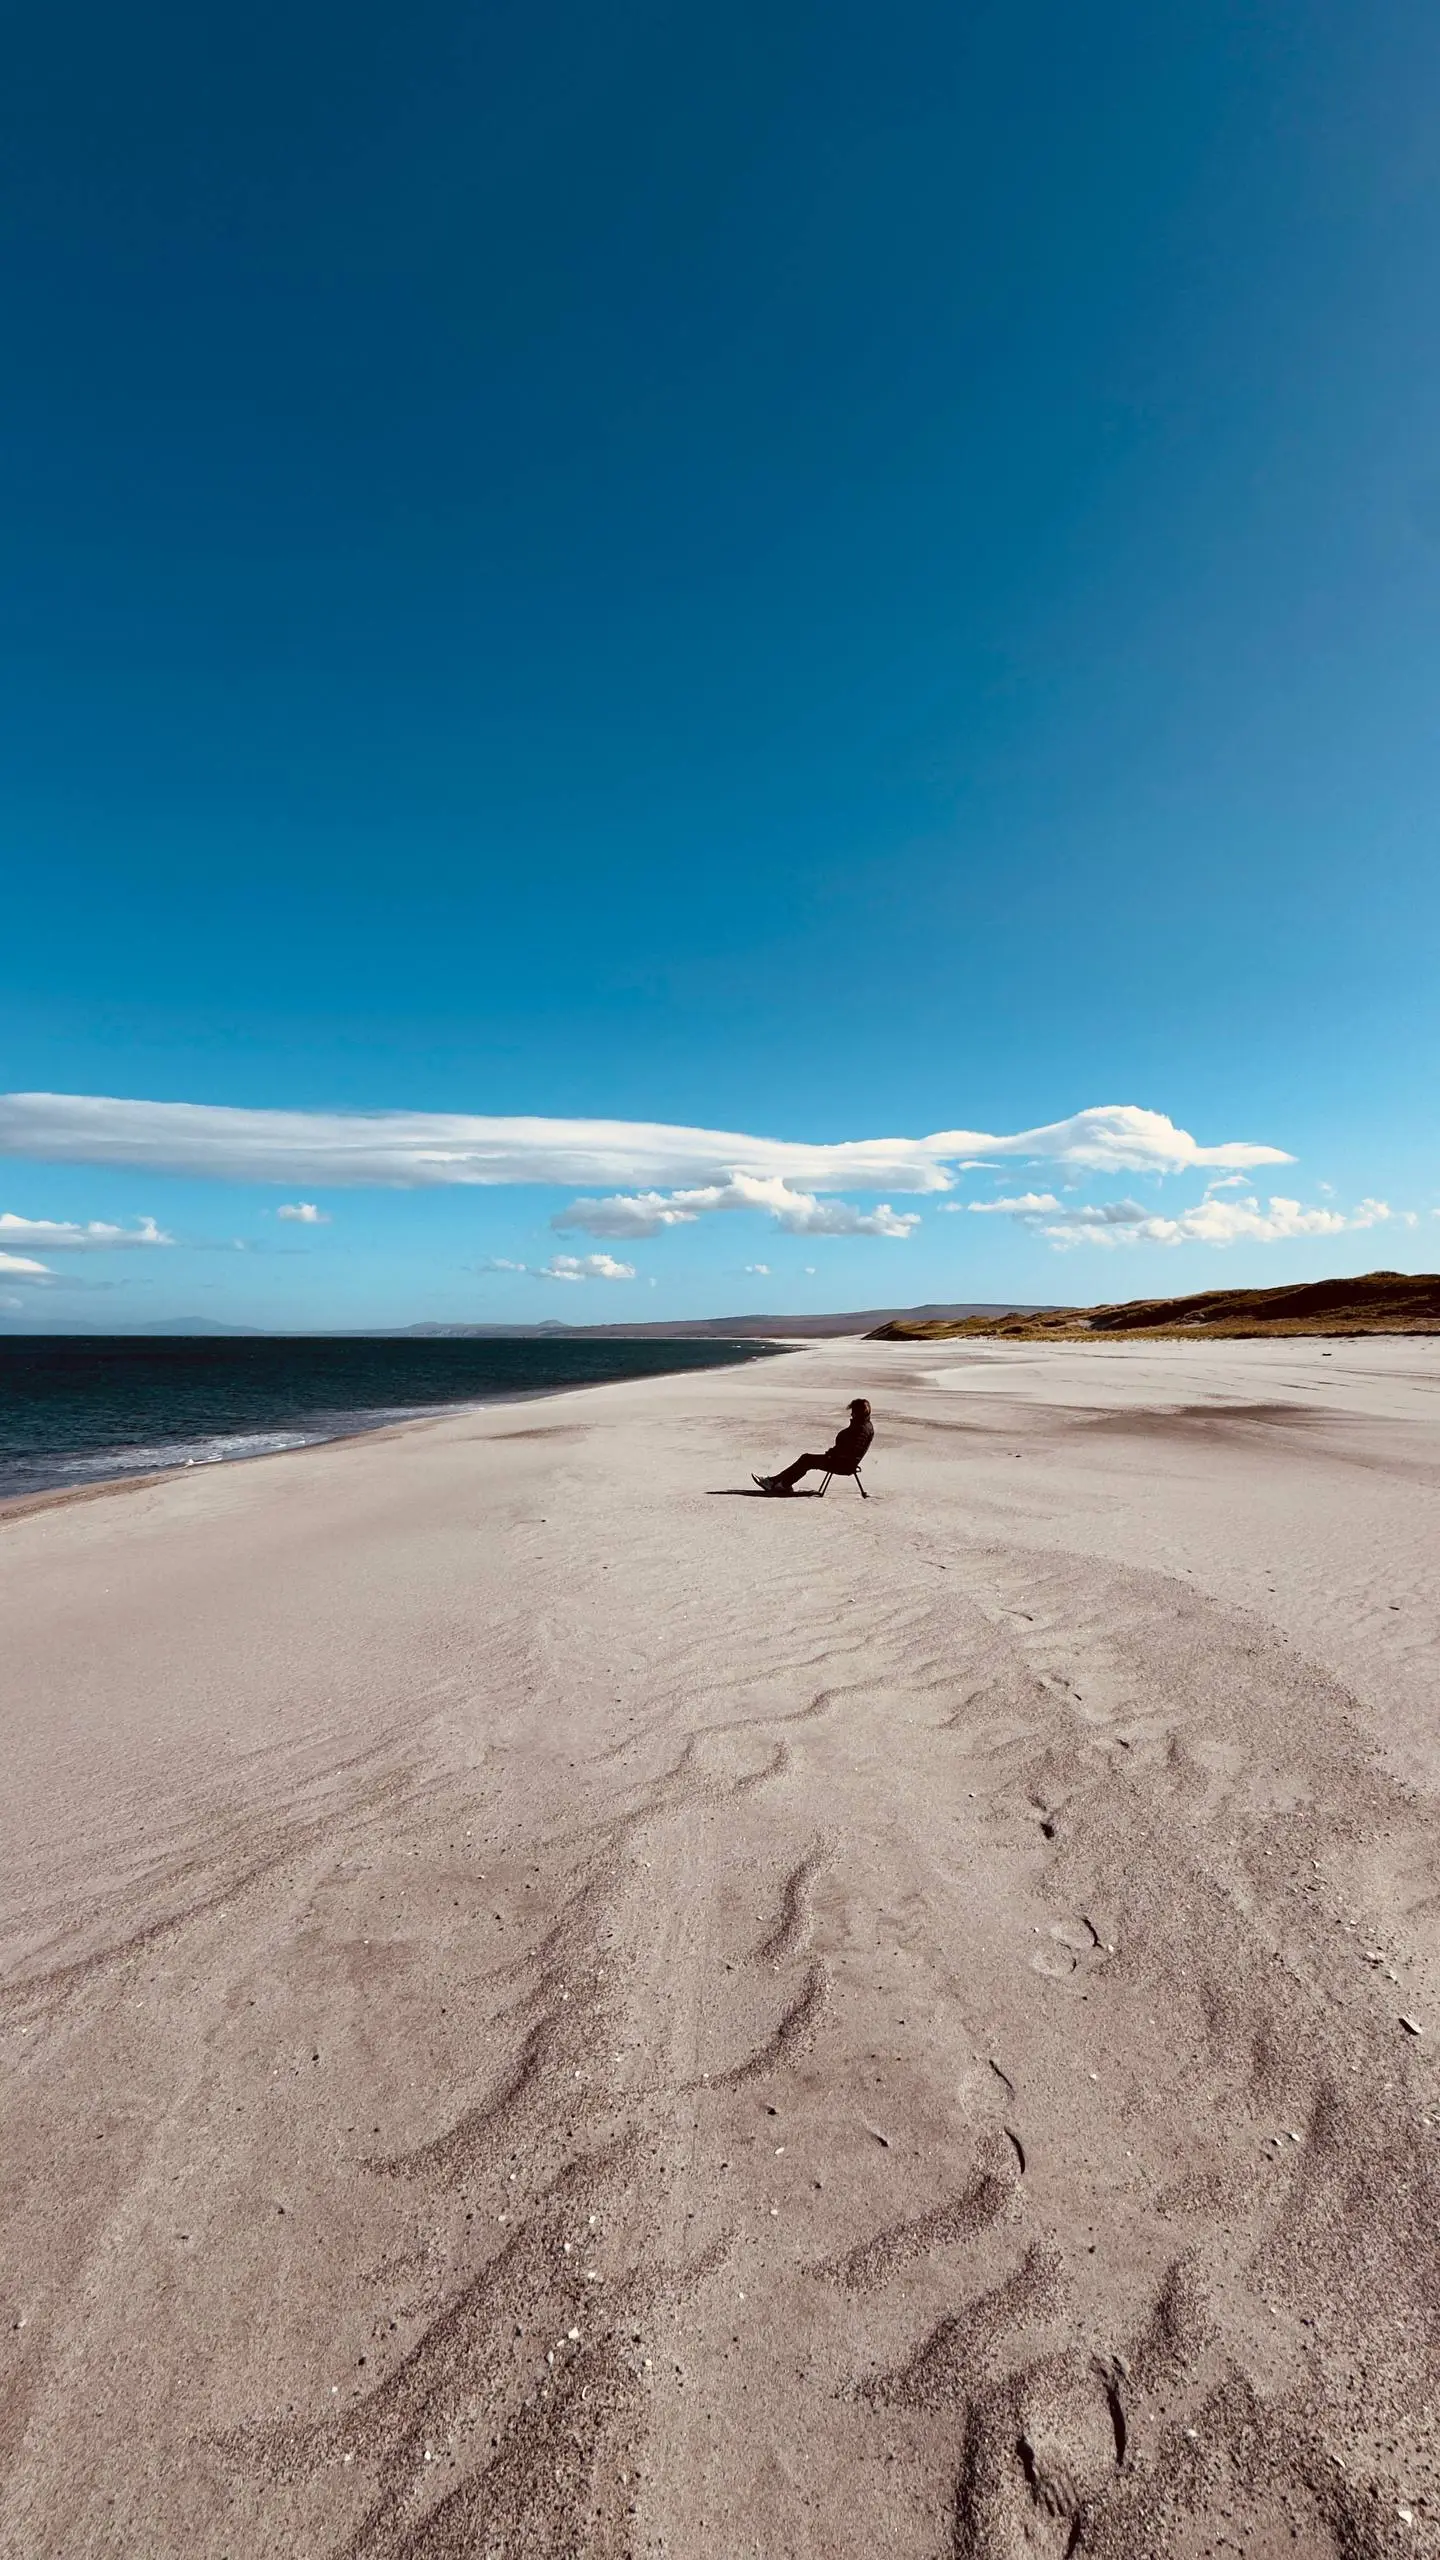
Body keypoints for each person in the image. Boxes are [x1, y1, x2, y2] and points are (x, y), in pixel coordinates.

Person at [753, 1398, 874, 1496]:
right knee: (806, 1459)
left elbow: (851, 1451)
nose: (851, 1414)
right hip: (842, 1461)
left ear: (858, 1413)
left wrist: (832, 1454)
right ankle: (779, 1482)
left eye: (853, 1411)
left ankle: (780, 1484)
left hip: (842, 1464)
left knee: (807, 1459)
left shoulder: (861, 1429)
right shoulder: (864, 1426)